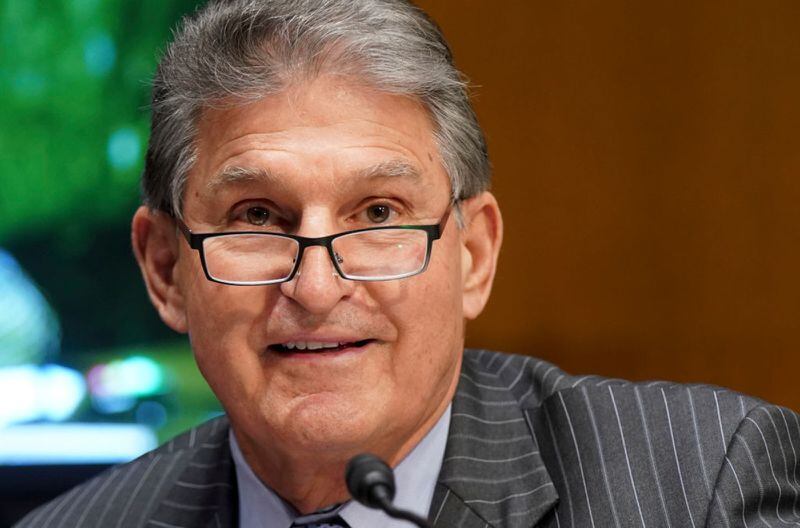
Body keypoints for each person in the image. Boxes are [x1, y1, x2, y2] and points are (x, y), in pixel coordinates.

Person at [16, 1, 800, 527]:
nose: (317, 289)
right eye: (258, 217)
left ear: (473, 255)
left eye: (379, 215)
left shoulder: (702, 485)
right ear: (164, 269)